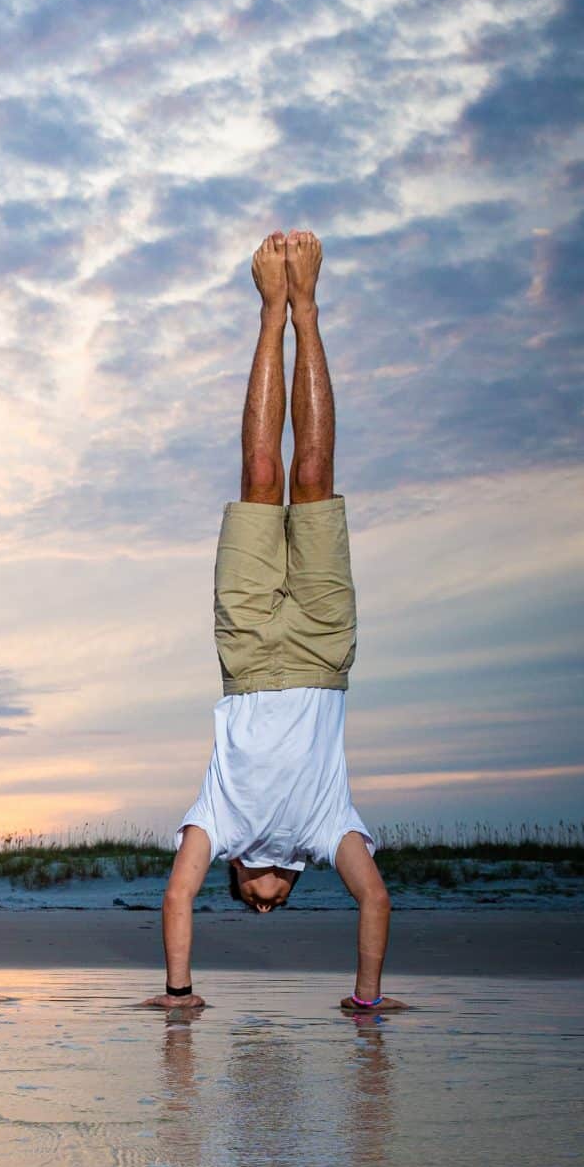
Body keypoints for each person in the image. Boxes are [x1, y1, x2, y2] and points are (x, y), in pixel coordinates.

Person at [152, 230, 402, 1017]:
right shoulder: (329, 832)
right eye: (277, 906)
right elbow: (376, 901)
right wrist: (364, 1001)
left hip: (249, 652)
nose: (265, 904)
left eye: (251, 905)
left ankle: (271, 310)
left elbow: (174, 895)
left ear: (232, 873)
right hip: (324, 651)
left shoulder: (217, 825)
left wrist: (180, 992)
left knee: (260, 479)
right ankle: (308, 306)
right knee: (314, 477)